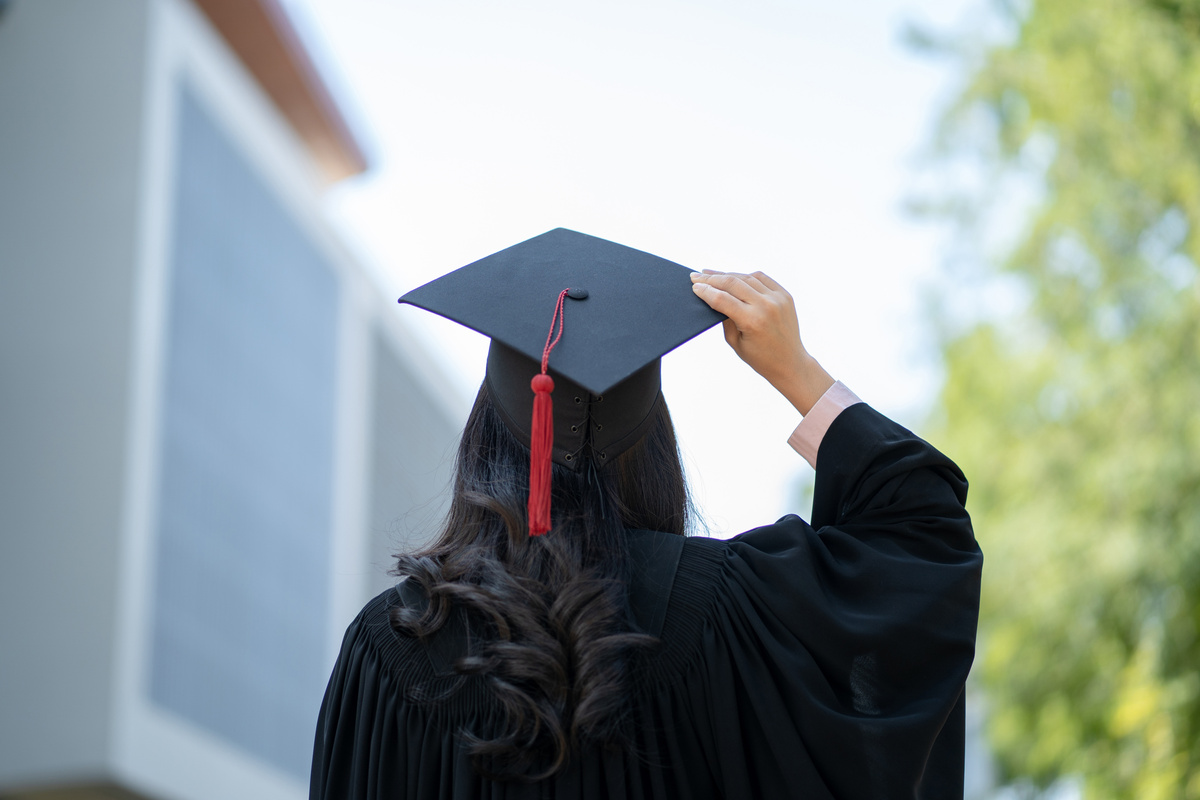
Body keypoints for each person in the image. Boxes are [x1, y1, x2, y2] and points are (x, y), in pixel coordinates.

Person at [309, 229, 982, 799]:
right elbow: (923, 535)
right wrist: (799, 373)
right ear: (653, 443)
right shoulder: (740, 612)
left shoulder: (391, 646)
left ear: (489, 438)